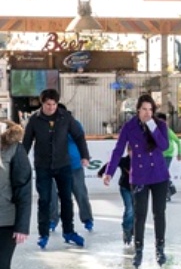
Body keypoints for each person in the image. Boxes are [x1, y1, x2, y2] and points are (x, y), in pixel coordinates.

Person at [104, 94, 171, 269]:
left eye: (150, 110)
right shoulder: (129, 127)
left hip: (159, 175)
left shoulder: (160, 125)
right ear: (138, 110)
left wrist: (152, 126)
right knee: (139, 214)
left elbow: (164, 146)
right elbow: (118, 150)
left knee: (159, 213)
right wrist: (109, 172)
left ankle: (160, 249)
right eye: (144, 109)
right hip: (140, 176)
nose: (147, 113)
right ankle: (139, 249)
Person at [21, 89, 90, 249]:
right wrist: (22, 161)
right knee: (44, 200)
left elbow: (79, 136)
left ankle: (69, 231)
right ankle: (43, 234)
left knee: (66, 199)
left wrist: (84, 155)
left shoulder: (65, 117)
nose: (51, 107)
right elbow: (27, 141)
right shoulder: (35, 119)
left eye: (54, 104)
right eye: (48, 104)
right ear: (42, 103)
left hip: (63, 165)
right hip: (43, 166)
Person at [0, 121, 32, 269]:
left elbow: (23, 188)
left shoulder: (14, 147)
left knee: (0, 268)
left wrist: (22, 224)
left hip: (5, 220)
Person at [47, 106, 94, 234]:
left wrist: (85, 156)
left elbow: (80, 140)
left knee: (80, 193)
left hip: (73, 166)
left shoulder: (74, 124)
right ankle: (52, 219)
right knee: (52, 195)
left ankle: (87, 218)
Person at [98, 150, 133, 245]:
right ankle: (127, 229)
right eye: (132, 151)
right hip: (125, 188)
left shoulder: (141, 159)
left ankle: (132, 229)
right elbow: (111, 163)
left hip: (138, 188)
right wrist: (102, 173)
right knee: (129, 208)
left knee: (137, 210)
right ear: (128, 151)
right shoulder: (124, 161)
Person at [158, 112, 181, 201]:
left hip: (168, 155)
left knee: (163, 173)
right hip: (159, 156)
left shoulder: (168, 131)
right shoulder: (155, 132)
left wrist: (179, 153)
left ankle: (168, 191)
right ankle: (170, 188)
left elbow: (177, 141)